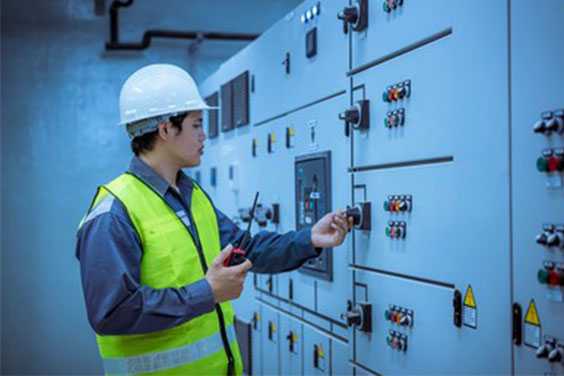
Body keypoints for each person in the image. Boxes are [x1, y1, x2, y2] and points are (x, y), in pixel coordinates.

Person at [76, 64, 352, 376]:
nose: (204, 135)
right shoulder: (115, 212)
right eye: (196, 124)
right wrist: (207, 292)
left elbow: (245, 250)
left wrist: (310, 239)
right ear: (166, 129)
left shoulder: (191, 195)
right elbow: (112, 312)